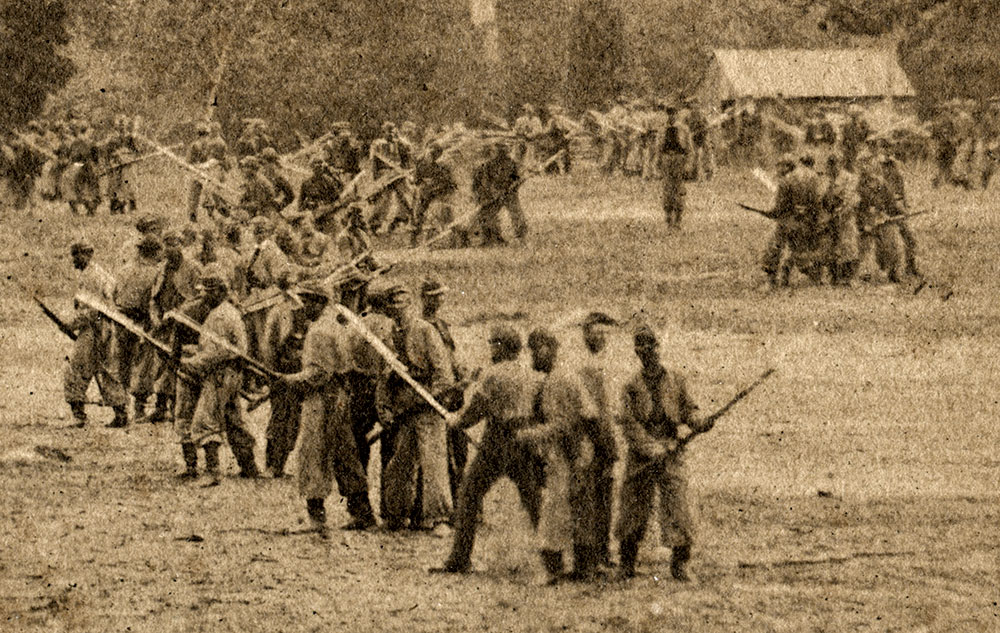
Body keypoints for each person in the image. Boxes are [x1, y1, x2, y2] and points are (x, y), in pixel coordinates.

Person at [430, 325, 544, 574]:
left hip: (497, 440)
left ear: (502, 347)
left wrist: (456, 421)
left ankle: (459, 559)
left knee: (469, 495)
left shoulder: (493, 375)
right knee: (533, 500)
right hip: (523, 440)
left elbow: (475, 411)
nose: (490, 348)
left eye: (493, 343)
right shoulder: (530, 374)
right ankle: (554, 558)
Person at [615, 324, 710, 582]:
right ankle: (627, 564)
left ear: (659, 348)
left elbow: (690, 409)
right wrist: (650, 448)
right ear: (637, 354)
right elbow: (629, 424)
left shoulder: (676, 380)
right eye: (643, 350)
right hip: (642, 455)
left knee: (680, 508)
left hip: (672, 449)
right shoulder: (630, 387)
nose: (649, 354)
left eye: (652, 348)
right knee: (632, 509)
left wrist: (699, 422)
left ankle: (680, 565)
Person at [280, 282, 377, 533]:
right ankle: (361, 512)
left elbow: (319, 373)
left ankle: (317, 516)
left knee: (313, 453)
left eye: (308, 301)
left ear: (319, 302)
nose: (304, 306)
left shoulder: (320, 331)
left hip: (323, 398)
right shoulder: (334, 325)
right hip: (340, 396)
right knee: (344, 454)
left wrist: (289, 380)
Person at [516, 328, 600, 584]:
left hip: (573, 452)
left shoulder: (563, 379)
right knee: (565, 509)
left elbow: (579, 419)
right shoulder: (550, 380)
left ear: (549, 349)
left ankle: (563, 569)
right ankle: (574, 568)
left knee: (559, 510)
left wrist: (531, 435)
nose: (532, 357)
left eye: (536, 350)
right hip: (562, 453)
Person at [375, 285, 455, 532]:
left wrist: (426, 398)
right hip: (403, 410)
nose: (398, 313)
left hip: (428, 408)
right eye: (393, 309)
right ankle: (397, 516)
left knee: (433, 464)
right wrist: (384, 407)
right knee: (400, 464)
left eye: (402, 308)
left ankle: (439, 518)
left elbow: (444, 375)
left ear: (410, 306)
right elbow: (383, 378)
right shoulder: (387, 336)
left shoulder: (425, 331)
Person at [179, 265, 259, 484]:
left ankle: (213, 473)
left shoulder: (221, 316)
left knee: (205, 420)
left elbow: (219, 352)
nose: (203, 295)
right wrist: (195, 351)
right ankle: (249, 466)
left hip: (221, 374)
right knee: (234, 420)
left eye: (207, 291)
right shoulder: (223, 312)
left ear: (219, 291)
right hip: (229, 373)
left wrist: (192, 361)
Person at [63, 241, 128, 428]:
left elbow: (93, 309)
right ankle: (120, 413)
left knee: (75, 369)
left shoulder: (93, 276)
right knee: (107, 369)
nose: (74, 259)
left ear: (87, 255)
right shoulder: (96, 274)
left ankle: (79, 416)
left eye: (77, 255)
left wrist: (72, 325)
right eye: (73, 255)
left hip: (94, 328)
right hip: (103, 328)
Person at [574, 312, 621, 574]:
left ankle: (603, 551)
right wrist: (606, 442)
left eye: (605, 333)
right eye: (596, 333)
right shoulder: (586, 366)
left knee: (604, 496)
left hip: (605, 435)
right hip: (592, 439)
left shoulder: (606, 364)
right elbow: (593, 411)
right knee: (590, 497)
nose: (602, 338)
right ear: (585, 334)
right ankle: (591, 555)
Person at [110, 235, 163, 426]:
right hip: (143, 321)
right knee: (143, 365)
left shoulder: (124, 270)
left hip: (121, 319)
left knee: (122, 363)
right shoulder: (156, 273)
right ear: (154, 252)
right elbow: (153, 300)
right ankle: (139, 408)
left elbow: (114, 294)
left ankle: (121, 409)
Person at [471, 143, 525, 246]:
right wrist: (494, 193)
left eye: (502, 151)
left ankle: (520, 237)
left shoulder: (511, 163)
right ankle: (490, 238)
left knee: (516, 214)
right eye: (497, 151)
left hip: (509, 194)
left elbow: (516, 178)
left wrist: (514, 186)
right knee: (485, 215)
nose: (499, 153)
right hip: (495, 195)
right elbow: (486, 182)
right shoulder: (489, 165)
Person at [410, 143, 458, 246]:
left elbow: (449, 182)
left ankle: (442, 239)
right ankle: (413, 240)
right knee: (418, 215)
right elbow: (415, 180)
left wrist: (438, 186)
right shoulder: (421, 165)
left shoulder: (441, 167)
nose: (433, 156)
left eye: (436, 155)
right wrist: (423, 184)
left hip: (437, 194)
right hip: (424, 193)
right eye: (431, 153)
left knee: (437, 214)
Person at [659, 108, 691, 230]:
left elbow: (689, 148)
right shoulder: (662, 129)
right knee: (667, 189)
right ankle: (668, 218)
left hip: (679, 158)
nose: (671, 116)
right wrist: (658, 163)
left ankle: (678, 219)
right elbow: (658, 146)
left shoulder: (683, 129)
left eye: (673, 113)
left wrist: (688, 164)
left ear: (677, 114)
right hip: (667, 158)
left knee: (679, 189)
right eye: (669, 113)